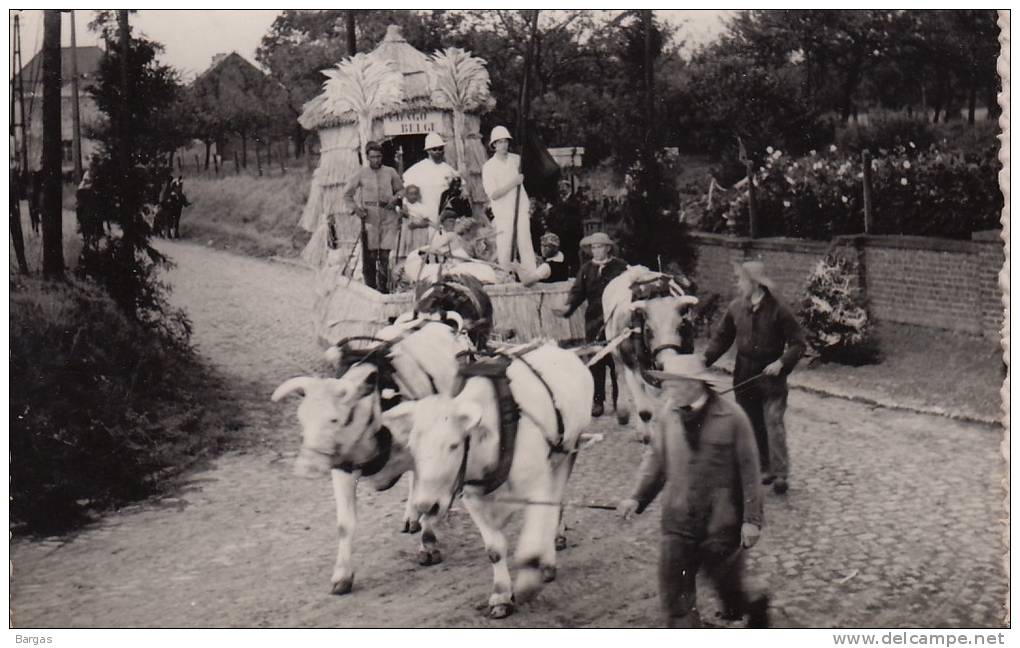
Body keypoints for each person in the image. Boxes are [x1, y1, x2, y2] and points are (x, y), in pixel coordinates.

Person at [617, 354, 769, 629]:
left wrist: (752, 520)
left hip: (721, 525)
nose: (666, 390)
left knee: (731, 592)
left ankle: (755, 607)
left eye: (672, 384)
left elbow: (751, 472)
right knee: (675, 599)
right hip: (677, 521)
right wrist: (636, 498)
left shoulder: (733, 417)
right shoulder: (666, 415)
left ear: (693, 384)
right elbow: (656, 462)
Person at [701, 260, 806, 495]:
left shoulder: (779, 309)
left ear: (754, 283)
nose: (738, 285)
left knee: (773, 422)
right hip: (744, 374)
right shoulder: (736, 308)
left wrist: (781, 363)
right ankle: (765, 468)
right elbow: (722, 338)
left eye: (741, 280)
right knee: (752, 423)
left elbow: (798, 344)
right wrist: (704, 360)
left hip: (771, 377)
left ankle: (780, 473)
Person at [553, 232, 627, 417]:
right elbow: (578, 292)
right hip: (594, 320)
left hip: (616, 319)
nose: (596, 251)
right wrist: (567, 308)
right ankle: (598, 401)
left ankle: (619, 399)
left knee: (617, 359)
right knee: (596, 361)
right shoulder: (586, 269)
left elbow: (629, 288)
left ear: (608, 248)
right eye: (593, 247)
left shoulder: (620, 267)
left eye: (599, 247)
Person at [342, 141, 404, 293]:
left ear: (382, 156)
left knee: (385, 255)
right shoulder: (361, 174)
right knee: (370, 256)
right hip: (370, 218)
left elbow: (401, 190)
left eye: (378, 156)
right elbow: (347, 194)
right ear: (367, 158)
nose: (376, 160)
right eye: (373, 157)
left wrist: (395, 199)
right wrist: (356, 209)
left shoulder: (390, 172)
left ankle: (384, 289)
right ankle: (370, 290)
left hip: (388, 217)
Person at [482, 125, 537, 272]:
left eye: (505, 141)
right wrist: (514, 183)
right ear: (494, 145)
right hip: (503, 211)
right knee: (505, 244)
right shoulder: (489, 166)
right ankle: (506, 275)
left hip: (520, 207)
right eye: (500, 142)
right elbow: (494, 194)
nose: (503, 145)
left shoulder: (516, 160)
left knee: (525, 241)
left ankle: (530, 273)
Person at [403, 132, 457, 226]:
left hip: (444, 217)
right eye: (434, 149)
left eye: (440, 148)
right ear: (428, 151)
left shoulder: (448, 169)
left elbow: (459, 190)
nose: (438, 151)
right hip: (424, 217)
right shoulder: (417, 169)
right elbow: (406, 192)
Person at [395, 184, 432, 267]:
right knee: (405, 258)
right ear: (406, 195)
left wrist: (417, 225)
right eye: (411, 194)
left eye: (415, 193)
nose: (413, 196)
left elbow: (427, 223)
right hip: (406, 237)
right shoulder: (403, 207)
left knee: (418, 258)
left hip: (419, 237)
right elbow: (400, 219)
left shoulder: (422, 207)